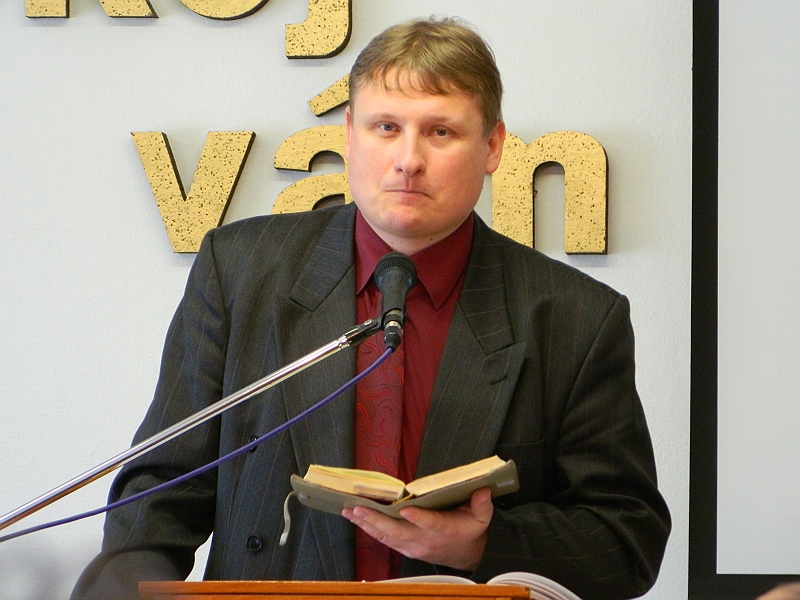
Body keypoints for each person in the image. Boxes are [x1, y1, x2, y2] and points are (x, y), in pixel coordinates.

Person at [71, 17, 670, 600]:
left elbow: (628, 540)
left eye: (441, 132)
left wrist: (485, 545)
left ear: (492, 146)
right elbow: (157, 494)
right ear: (350, 134)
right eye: (386, 127)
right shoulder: (240, 270)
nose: (408, 159)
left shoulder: (576, 316)